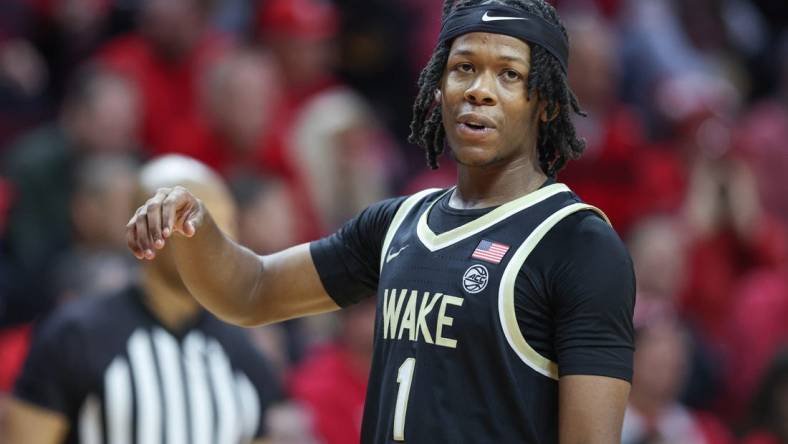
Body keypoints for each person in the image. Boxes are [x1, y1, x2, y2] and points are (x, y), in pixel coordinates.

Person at [126, 1, 635, 442]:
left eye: (508, 74)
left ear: (545, 102)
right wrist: (194, 225)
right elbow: (252, 290)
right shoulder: (397, 222)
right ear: (438, 86)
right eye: (463, 68)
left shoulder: (578, 244)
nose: (480, 90)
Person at [4, 155, 280, 444]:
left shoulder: (244, 352)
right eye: (195, 221)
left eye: (226, 223)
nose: (218, 239)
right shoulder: (75, 336)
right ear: (145, 228)